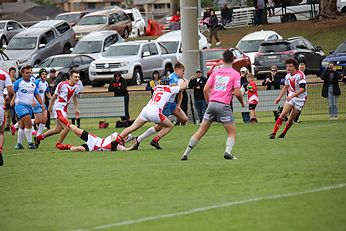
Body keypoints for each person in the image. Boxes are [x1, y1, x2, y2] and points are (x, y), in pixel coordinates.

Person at [181, 50, 245, 161]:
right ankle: (228, 152)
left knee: (201, 131)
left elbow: (205, 89)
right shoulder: (235, 74)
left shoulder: (216, 72)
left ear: (222, 59)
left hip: (211, 104)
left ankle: (186, 153)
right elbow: (238, 93)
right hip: (223, 106)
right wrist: (242, 102)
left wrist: (209, 102)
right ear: (233, 60)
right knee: (232, 132)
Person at [112, 76, 189, 151]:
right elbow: (184, 86)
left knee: (132, 127)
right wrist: (185, 80)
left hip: (146, 110)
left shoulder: (156, 87)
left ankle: (116, 141)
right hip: (155, 112)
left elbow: (158, 88)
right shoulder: (169, 89)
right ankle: (155, 140)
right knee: (169, 126)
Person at [133, 62, 188, 149]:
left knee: (184, 119)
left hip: (172, 104)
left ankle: (143, 139)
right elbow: (172, 87)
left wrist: (178, 105)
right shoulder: (173, 78)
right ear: (177, 70)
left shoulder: (178, 79)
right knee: (160, 126)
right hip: (166, 104)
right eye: (182, 71)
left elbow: (180, 93)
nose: (183, 73)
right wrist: (182, 84)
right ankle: (144, 139)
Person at [35, 69, 81, 147]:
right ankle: (59, 143)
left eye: (78, 77)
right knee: (67, 127)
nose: (77, 78)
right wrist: (50, 107)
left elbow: (75, 97)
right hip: (58, 108)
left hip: (64, 109)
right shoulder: (62, 84)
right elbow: (54, 96)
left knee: (57, 129)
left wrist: (76, 108)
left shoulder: (77, 86)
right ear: (70, 77)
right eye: (75, 77)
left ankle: (38, 138)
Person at [269, 58, 307, 139]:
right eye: (287, 66)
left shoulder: (300, 75)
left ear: (295, 67)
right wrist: (279, 98)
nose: (288, 68)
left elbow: (303, 89)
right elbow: (286, 87)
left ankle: (284, 132)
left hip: (300, 99)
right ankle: (273, 133)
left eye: (290, 66)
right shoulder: (287, 76)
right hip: (291, 97)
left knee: (290, 120)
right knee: (282, 114)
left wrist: (292, 96)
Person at [13, 66, 45, 149]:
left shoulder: (32, 84)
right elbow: (11, 92)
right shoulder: (18, 83)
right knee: (29, 123)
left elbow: (36, 94)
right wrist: (10, 100)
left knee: (22, 125)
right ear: (22, 73)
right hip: (20, 106)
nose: (29, 74)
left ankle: (19, 144)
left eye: (30, 72)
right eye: (27, 72)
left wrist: (41, 104)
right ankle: (30, 143)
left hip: (29, 107)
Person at [55, 121, 135, 152]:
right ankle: (64, 120)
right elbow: (115, 142)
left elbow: (122, 148)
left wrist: (131, 146)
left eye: (126, 136)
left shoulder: (119, 146)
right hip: (95, 141)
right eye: (126, 135)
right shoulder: (116, 135)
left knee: (77, 149)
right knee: (76, 130)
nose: (125, 136)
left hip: (94, 148)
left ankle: (65, 146)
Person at [0, 68, 14, 166]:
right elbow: (11, 91)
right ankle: (0, 150)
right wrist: (8, 98)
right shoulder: (4, 73)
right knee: (1, 132)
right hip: (0, 104)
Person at [32, 68, 51, 139]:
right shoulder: (37, 82)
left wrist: (52, 99)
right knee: (38, 121)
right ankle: (21, 123)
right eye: (43, 74)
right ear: (40, 75)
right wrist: (32, 101)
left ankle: (38, 135)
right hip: (36, 103)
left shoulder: (46, 83)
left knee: (45, 119)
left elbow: (47, 92)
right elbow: (32, 91)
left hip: (42, 103)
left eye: (45, 74)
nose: (44, 75)